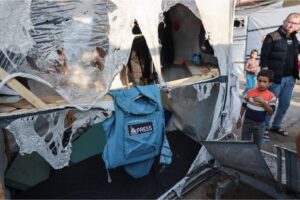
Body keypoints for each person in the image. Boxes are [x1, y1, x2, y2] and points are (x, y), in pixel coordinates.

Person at [260, 13, 300, 138]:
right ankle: (264, 128)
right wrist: (267, 79)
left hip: (290, 79)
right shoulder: (272, 37)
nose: (291, 25)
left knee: (285, 104)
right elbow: (264, 59)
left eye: (295, 23)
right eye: (289, 22)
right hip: (275, 79)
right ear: (284, 21)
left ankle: (275, 126)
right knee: (270, 105)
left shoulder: (294, 39)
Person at [237, 70, 276, 148]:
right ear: (257, 80)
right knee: (244, 142)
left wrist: (264, 103)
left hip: (260, 124)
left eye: (265, 82)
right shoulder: (250, 92)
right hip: (247, 122)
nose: (261, 84)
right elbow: (244, 105)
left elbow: (271, 112)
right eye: (260, 81)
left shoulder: (271, 96)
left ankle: (255, 158)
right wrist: (239, 118)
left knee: (257, 144)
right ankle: (244, 157)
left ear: (270, 83)